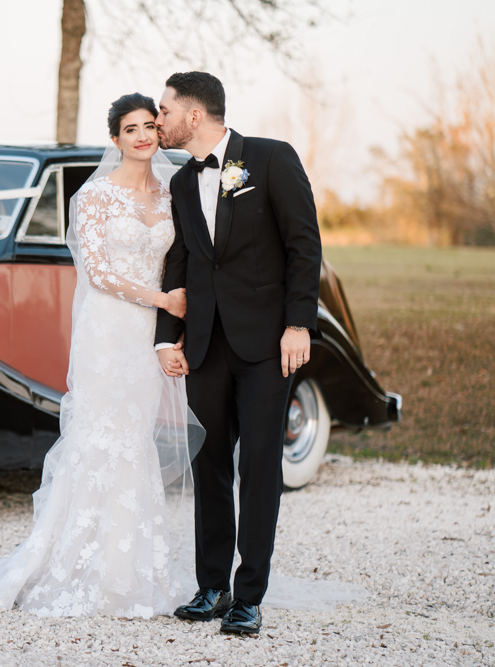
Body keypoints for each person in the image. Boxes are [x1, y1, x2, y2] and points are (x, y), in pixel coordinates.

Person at [0, 93, 203, 618]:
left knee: (134, 438)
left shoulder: (170, 198)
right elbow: (96, 273)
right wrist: (162, 299)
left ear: (159, 134)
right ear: (114, 139)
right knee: (97, 436)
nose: (141, 135)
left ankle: (131, 569)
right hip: (107, 330)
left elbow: (178, 264)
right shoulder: (93, 198)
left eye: (148, 127)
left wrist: (169, 329)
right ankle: (71, 563)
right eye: (129, 128)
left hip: (145, 336)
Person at [154, 71, 324, 635]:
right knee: (209, 467)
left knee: (257, 466)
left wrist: (299, 322)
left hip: (266, 346)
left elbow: (305, 246)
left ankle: (250, 596)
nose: (158, 121)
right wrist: (165, 335)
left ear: (194, 115)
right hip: (204, 344)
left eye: (164, 110)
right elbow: (178, 263)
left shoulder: (272, 159)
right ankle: (212, 587)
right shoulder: (181, 185)